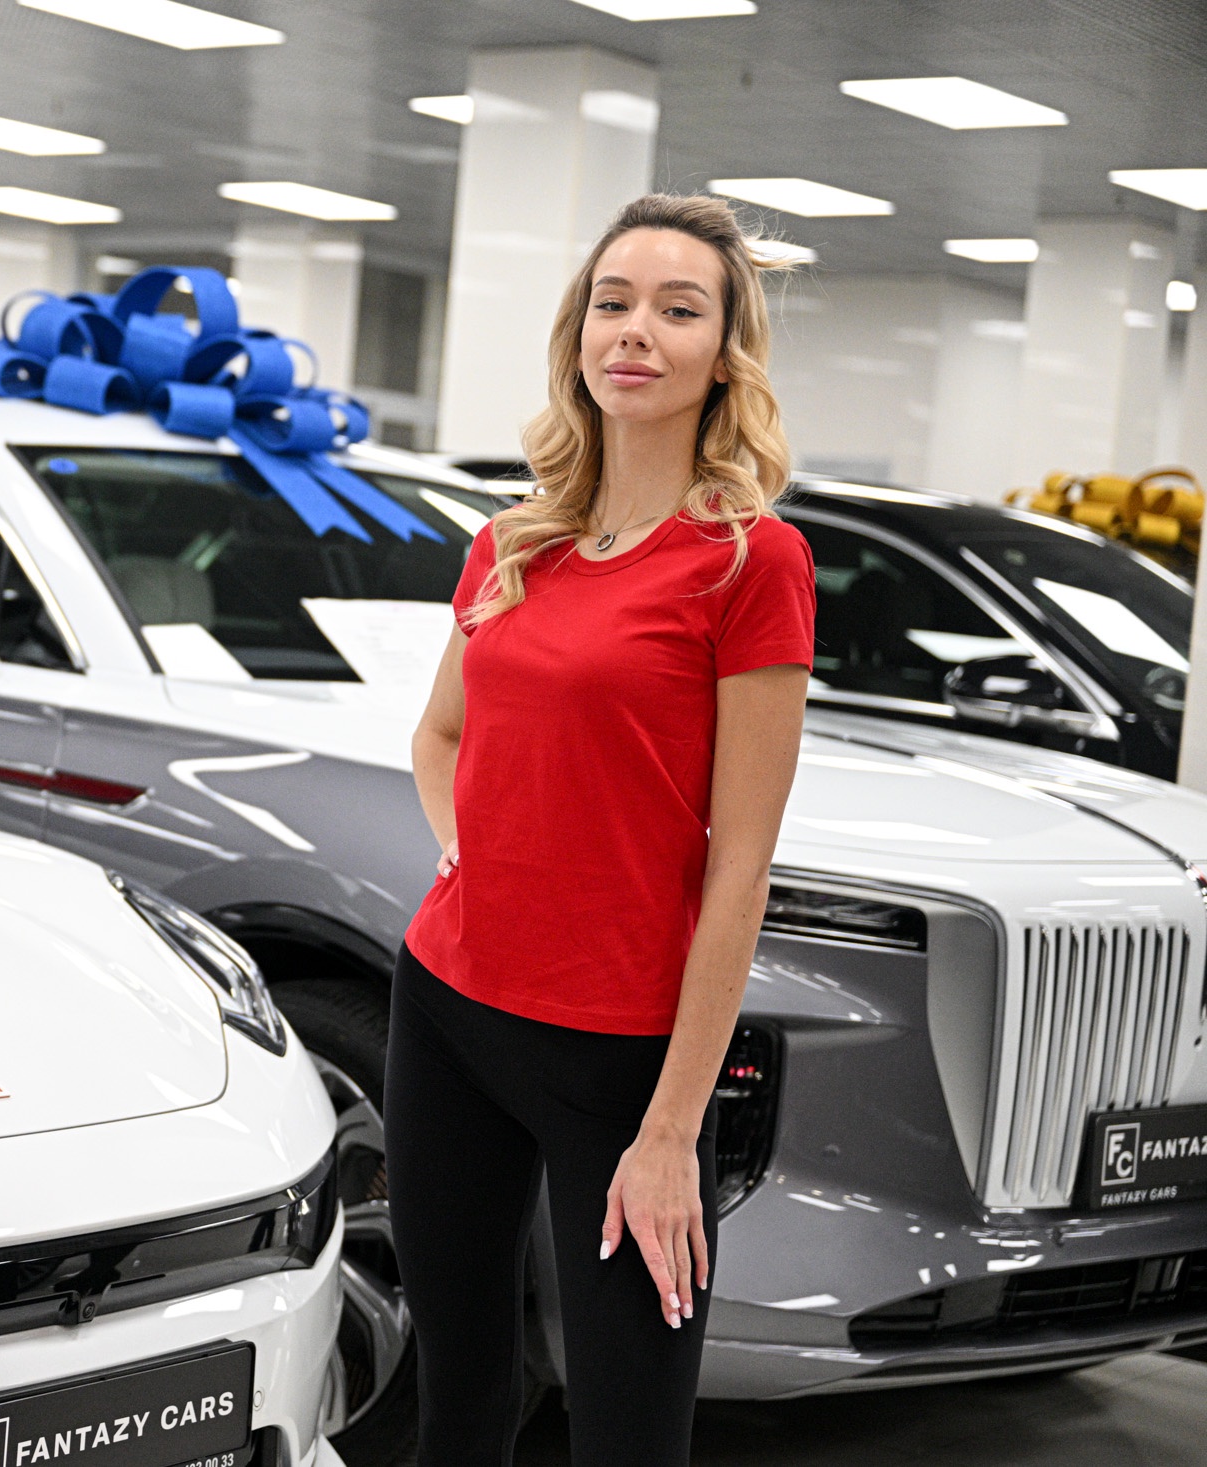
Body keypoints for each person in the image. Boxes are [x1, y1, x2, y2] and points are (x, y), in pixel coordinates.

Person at [389, 193, 815, 1466]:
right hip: (448, 1006)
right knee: (458, 1401)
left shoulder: (750, 562)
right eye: (611, 303)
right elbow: (438, 738)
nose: (635, 331)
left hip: (619, 1062)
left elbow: (741, 862)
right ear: (578, 333)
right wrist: (468, 850)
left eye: (678, 310)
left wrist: (674, 1128)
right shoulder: (512, 543)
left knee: (628, 1433)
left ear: (723, 356)